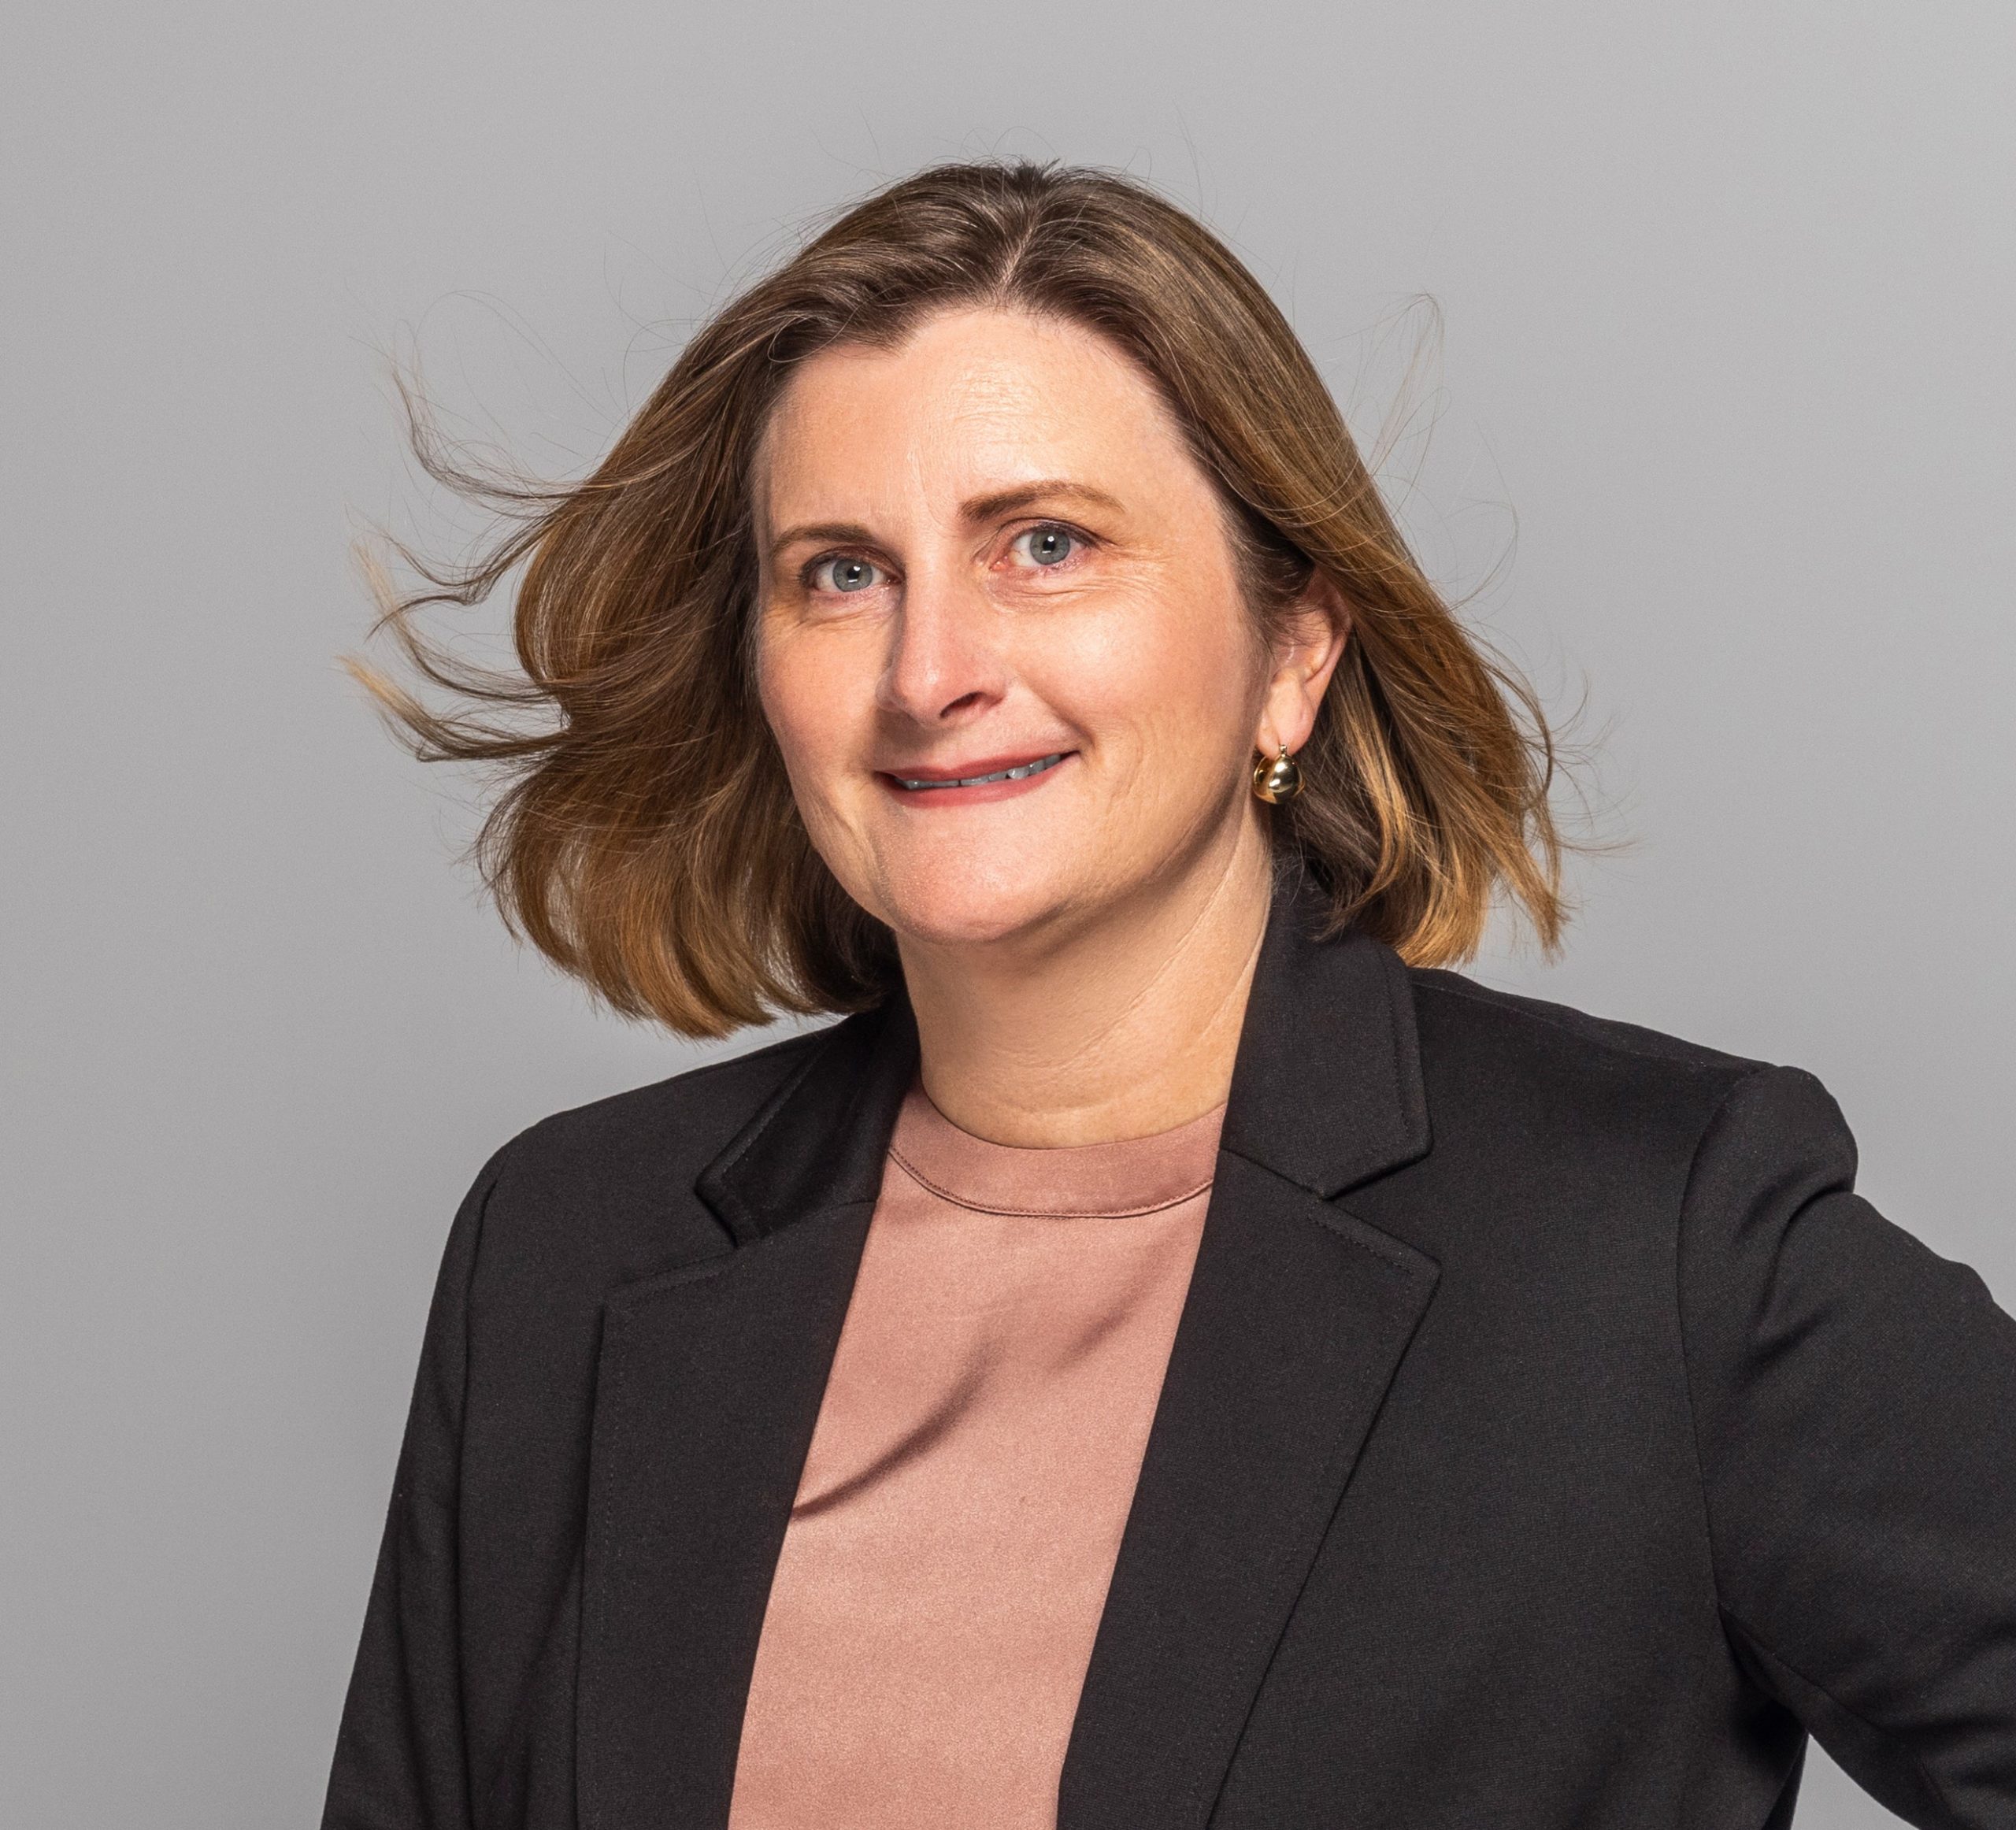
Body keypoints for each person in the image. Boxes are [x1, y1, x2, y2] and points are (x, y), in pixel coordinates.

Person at [324, 161, 2016, 1830]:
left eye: (1044, 544)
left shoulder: (1651, 1244)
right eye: (840, 571)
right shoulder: (562, 1248)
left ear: (1293, 649)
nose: (930, 673)